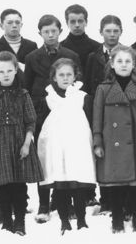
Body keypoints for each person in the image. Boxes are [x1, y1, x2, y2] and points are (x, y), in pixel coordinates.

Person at [92, 45, 136, 233]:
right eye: (119, 61)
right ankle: (117, 219)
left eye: (127, 61)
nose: (123, 64)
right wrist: (98, 141)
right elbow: (97, 117)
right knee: (115, 184)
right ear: (112, 64)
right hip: (112, 141)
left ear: (133, 64)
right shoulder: (103, 89)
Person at [23, 15, 82, 219]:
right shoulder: (31, 57)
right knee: (44, 158)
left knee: (66, 156)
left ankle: (64, 201)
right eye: (46, 31)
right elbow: (27, 88)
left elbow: (77, 83)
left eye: (54, 31)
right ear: (40, 33)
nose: (50, 34)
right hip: (43, 113)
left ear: (60, 31)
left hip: (66, 112)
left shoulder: (71, 55)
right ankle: (43, 204)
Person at [0, 52, 43, 236]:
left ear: (16, 70)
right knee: (2, 186)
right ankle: (6, 222)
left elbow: (31, 121)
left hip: (18, 142)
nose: (5, 74)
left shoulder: (23, 94)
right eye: (1, 71)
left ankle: (20, 222)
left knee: (19, 186)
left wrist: (26, 144)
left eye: (9, 70)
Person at [37, 58, 96, 232]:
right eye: (61, 75)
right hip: (56, 148)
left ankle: (81, 220)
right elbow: (41, 125)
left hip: (77, 147)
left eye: (69, 74)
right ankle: (64, 220)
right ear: (54, 78)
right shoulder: (49, 99)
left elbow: (90, 121)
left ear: (75, 76)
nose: (65, 78)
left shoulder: (82, 97)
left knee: (78, 186)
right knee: (60, 186)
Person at [82, 15, 124, 94]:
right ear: (101, 32)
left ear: (121, 32)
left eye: (115, 31)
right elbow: (87, 85)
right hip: (98, 101)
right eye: (108, 31)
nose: (112, 34)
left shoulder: (129, 54)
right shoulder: (93, 57)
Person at [61, 4, 103, 70]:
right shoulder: (60, 48)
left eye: (80, 21)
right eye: (73, 22)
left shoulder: (98, 48)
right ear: (67, 23)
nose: (77, 25)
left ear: (86, 22)